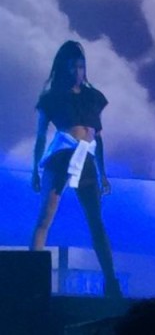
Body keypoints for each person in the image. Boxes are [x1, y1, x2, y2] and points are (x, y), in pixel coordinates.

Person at [30, 40, 121, 299]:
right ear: (63, 68)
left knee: (96, 222)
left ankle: (111, 282)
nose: (77, 72)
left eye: (81, 66)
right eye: (72, 67)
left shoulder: (92, 97)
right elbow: (40, 137)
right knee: (45, 219)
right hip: (60, 157)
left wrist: (103, 173)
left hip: (87, 161)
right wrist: (35, 170)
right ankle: (30, 277)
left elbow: (98, 137)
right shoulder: (51, 98)